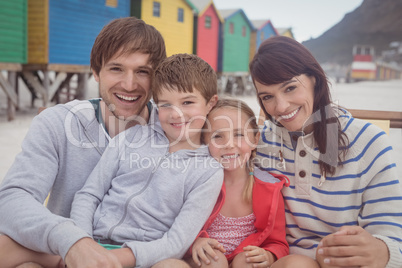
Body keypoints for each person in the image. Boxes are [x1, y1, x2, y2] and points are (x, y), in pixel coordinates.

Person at [0, 17, 166, 267]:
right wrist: (73, 241)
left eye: (143, 71)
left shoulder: (174, 129)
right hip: (67, 254)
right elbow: (13, 198)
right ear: (95, 72)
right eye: (116, 68)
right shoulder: (57, 123)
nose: (129, 84)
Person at [249, 35, 402, 268]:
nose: (280, 107)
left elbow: (391, 233)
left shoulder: (369, 142)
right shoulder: (259, 143)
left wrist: (381, 251)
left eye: (290, 88)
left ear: (314, 79)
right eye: (267, 97)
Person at [69, 53, 223, 268]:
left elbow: (177, 241)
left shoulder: (208, 171)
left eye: (187, 102)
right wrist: (82, 244)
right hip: (92, 243)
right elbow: (88, 195)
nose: (176, 114)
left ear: (210, 103)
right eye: (166, 105)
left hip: (144, 257)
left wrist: (114, 259)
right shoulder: (130, 138)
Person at [186, 99, 289, 268]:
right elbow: (180, 228)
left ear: (255, 139)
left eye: (239, 135)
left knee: (247, 260)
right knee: (214, 261)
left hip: (244, 259)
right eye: (218, 136)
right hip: (206, 260)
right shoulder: (197, 185)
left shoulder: (269, 188)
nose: (229, 144)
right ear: (205, 142)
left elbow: (279, 243)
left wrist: (268, 256)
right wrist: (195, 243)